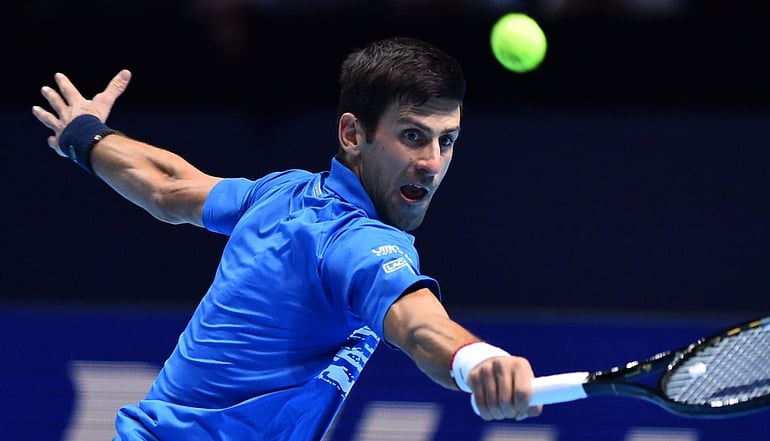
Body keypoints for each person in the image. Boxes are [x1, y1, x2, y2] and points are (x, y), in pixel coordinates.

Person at [32, 36, 541, 440]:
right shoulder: (356, 243)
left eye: (446, 140)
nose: (432, 162)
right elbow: (419, 326)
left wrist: (84, 137)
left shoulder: (282, 193)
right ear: (352, 134)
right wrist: (478, 360)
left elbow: (169, 187)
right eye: (412, 135)